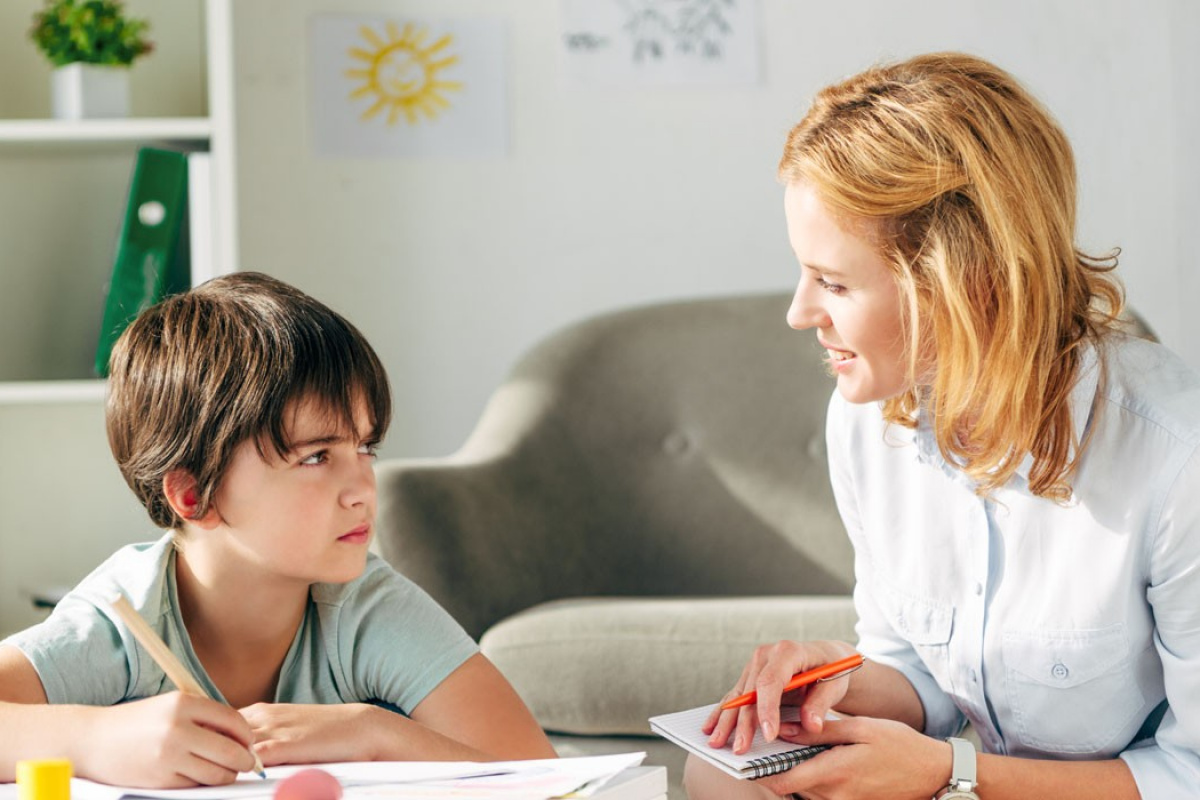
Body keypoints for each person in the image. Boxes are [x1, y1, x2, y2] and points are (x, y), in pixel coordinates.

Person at [683, 52, 1200, 799]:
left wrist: (954, 774)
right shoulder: (865, 424)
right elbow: (924, 680)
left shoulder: (1176, 459)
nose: (799, 314)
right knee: (724, 772)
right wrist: (839, 680)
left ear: (961, 282)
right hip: (967, 783)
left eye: (832, 282)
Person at [0, 272, 556, 788]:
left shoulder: (366, 606)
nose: (363, 486)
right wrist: (95, 740)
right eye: (316, 456)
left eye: (364, 447)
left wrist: (373, 734)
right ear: (195, 495)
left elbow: (543, 777)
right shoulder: (124, 616)